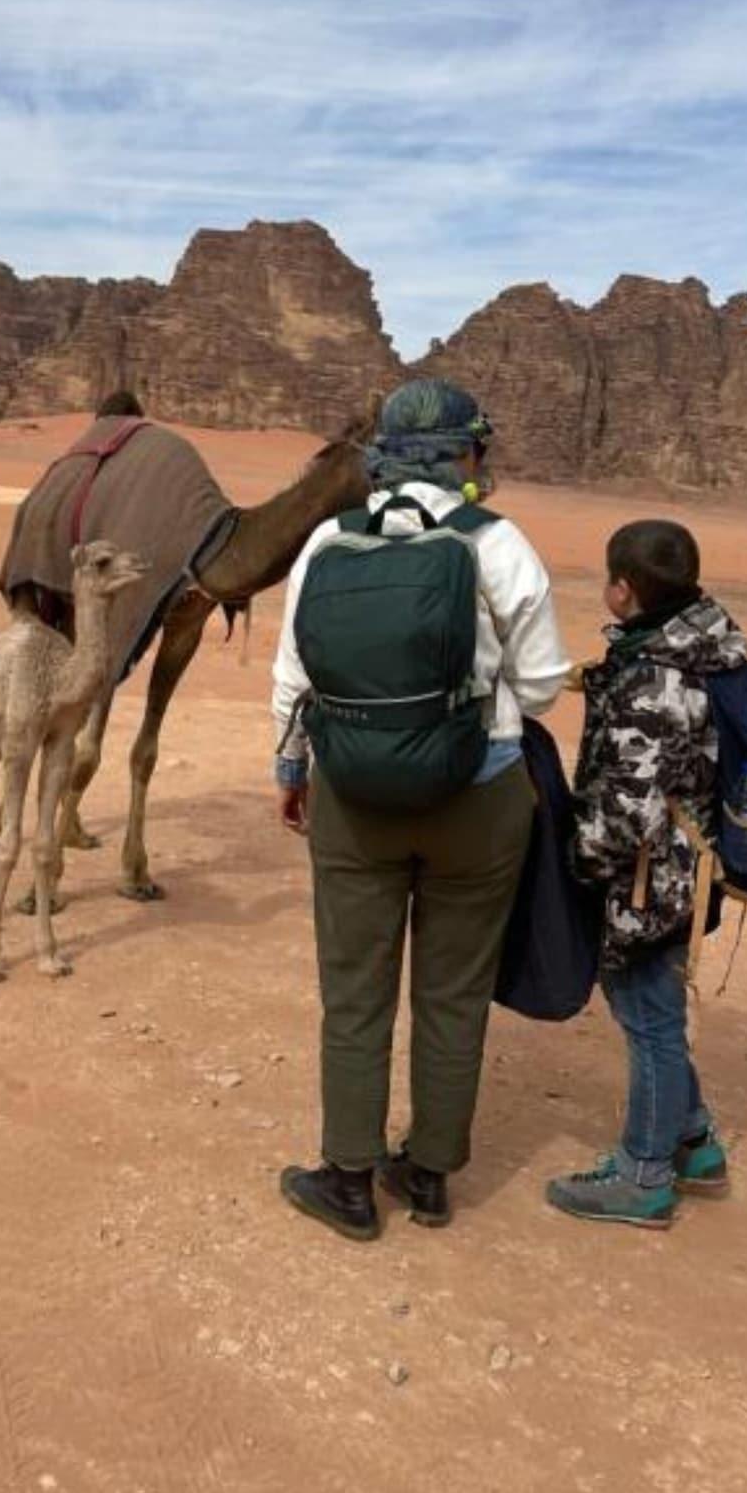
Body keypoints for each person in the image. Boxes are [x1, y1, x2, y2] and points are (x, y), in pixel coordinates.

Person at [274, 379, 569, 1240]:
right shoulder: (499, 543)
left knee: (355, 993)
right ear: (466, 454)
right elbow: (545, 685)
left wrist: (290, 767)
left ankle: (348, 1179)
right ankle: (431, 1173)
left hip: (353, 797)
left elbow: (294, 675)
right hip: (476, 799)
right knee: (453, 992)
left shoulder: (331, 539)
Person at [546, 519, 746, 1228]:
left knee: (649, 1020)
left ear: (623, 591)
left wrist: (572, 864)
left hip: (650, 880)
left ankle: (644, 1176)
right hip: (681, 871)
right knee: (655, 1011)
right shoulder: (695, 640)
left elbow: (625, 815)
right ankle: (692, 1144)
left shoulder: (659, 681)